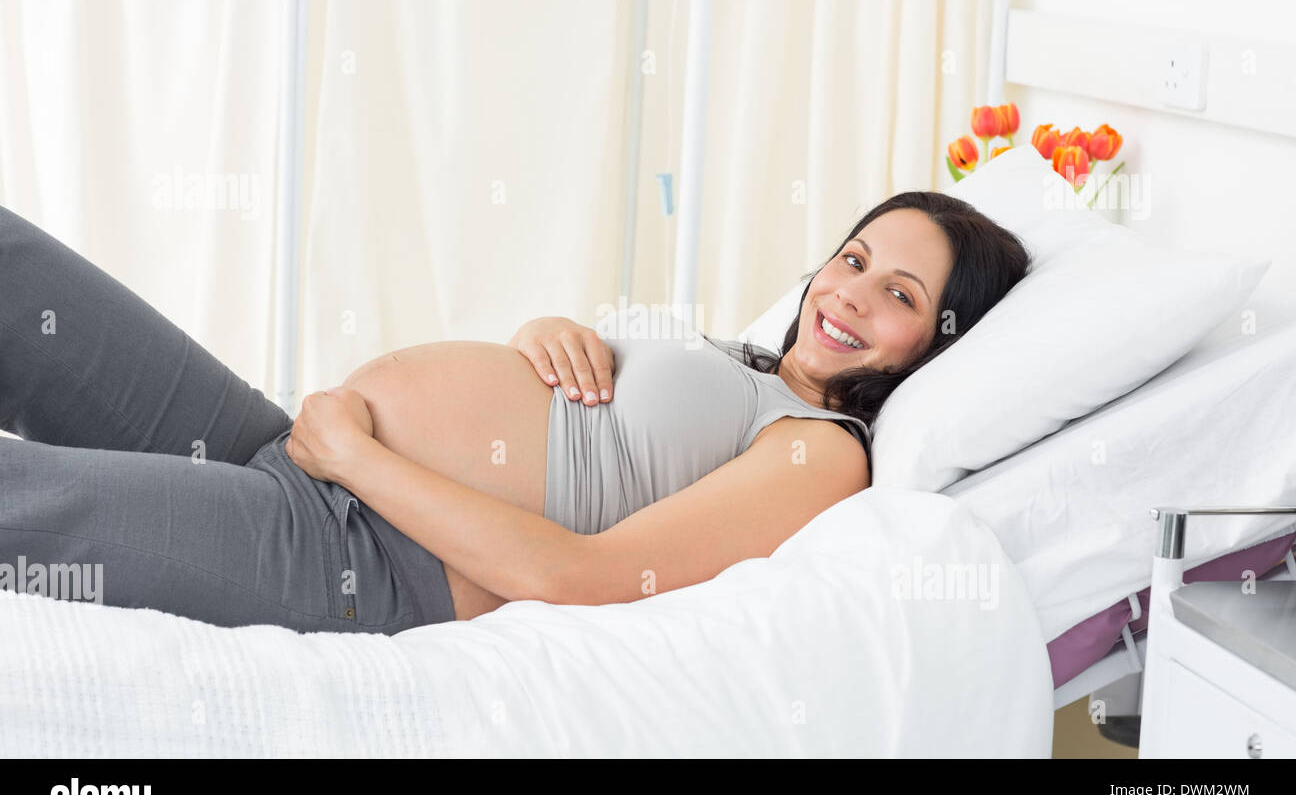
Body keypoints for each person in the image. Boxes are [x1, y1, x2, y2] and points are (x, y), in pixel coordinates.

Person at [0, 192, 1029, 634]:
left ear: (940, 340)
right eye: (853, 258)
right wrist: (551, 333)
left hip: (356, 549)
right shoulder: (749, 363)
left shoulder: (822, 451)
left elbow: (575, 577)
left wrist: (357, 456)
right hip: (287, 442)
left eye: (897, 292)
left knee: (23, 504)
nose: (849, 292)